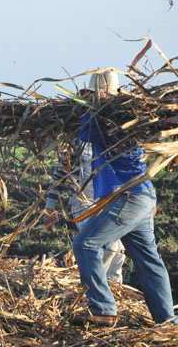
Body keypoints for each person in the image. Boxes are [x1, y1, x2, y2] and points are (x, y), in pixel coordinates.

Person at [73, 70, 176, 326]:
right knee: (148, 259)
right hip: (141, 195)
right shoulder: (132, 116)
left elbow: (85, 136)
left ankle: (103, 308)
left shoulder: (107, 119)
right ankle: (167, 321)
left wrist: (91, 109)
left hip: (127, 197)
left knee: (85, 245)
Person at [44, 138, 125, 283]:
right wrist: (50, 207)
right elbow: (59, 175)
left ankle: (115, 288)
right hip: (83, 205)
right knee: (109, 246)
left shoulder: (114, 140)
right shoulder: (78, 142)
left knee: (119, 251)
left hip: (108, 202)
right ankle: (95, 286)